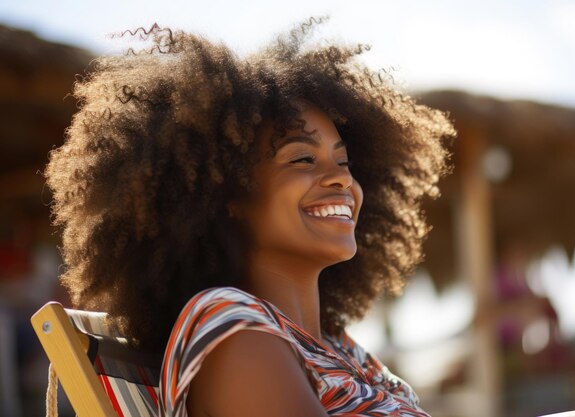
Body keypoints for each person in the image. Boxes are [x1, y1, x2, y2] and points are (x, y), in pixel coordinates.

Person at [44, 19, 454, 417]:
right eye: (302, 158)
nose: (341, 180)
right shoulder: (236, 334)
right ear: (228, 194)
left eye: (344, 160)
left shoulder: (337, 345)